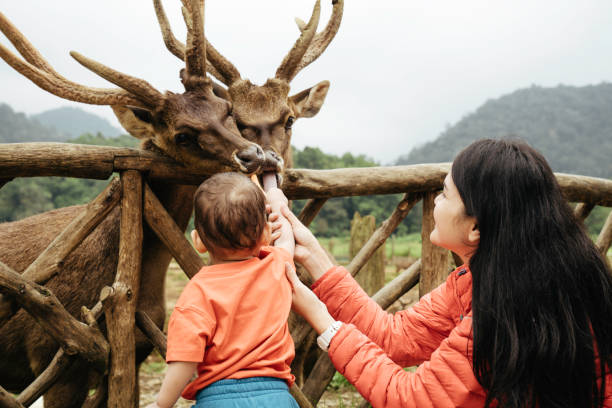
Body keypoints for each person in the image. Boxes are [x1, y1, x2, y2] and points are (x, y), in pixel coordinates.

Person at [280, 139, 612, 408]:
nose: (436, 201)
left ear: (476, 227)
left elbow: (411, 399)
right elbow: (395, 337)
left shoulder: (503, 311)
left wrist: (324, 322)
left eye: (445, 193)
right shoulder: (489, 280)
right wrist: (312, 254)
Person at [147, 172, 298, 408]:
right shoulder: (277, 267)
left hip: (217, 399)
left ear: (198, 242)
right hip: (277, 398)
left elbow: (184, 359)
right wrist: (275, 199)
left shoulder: (197, 293)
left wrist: (161, 404)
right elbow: (286, 238)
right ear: (266, 234)